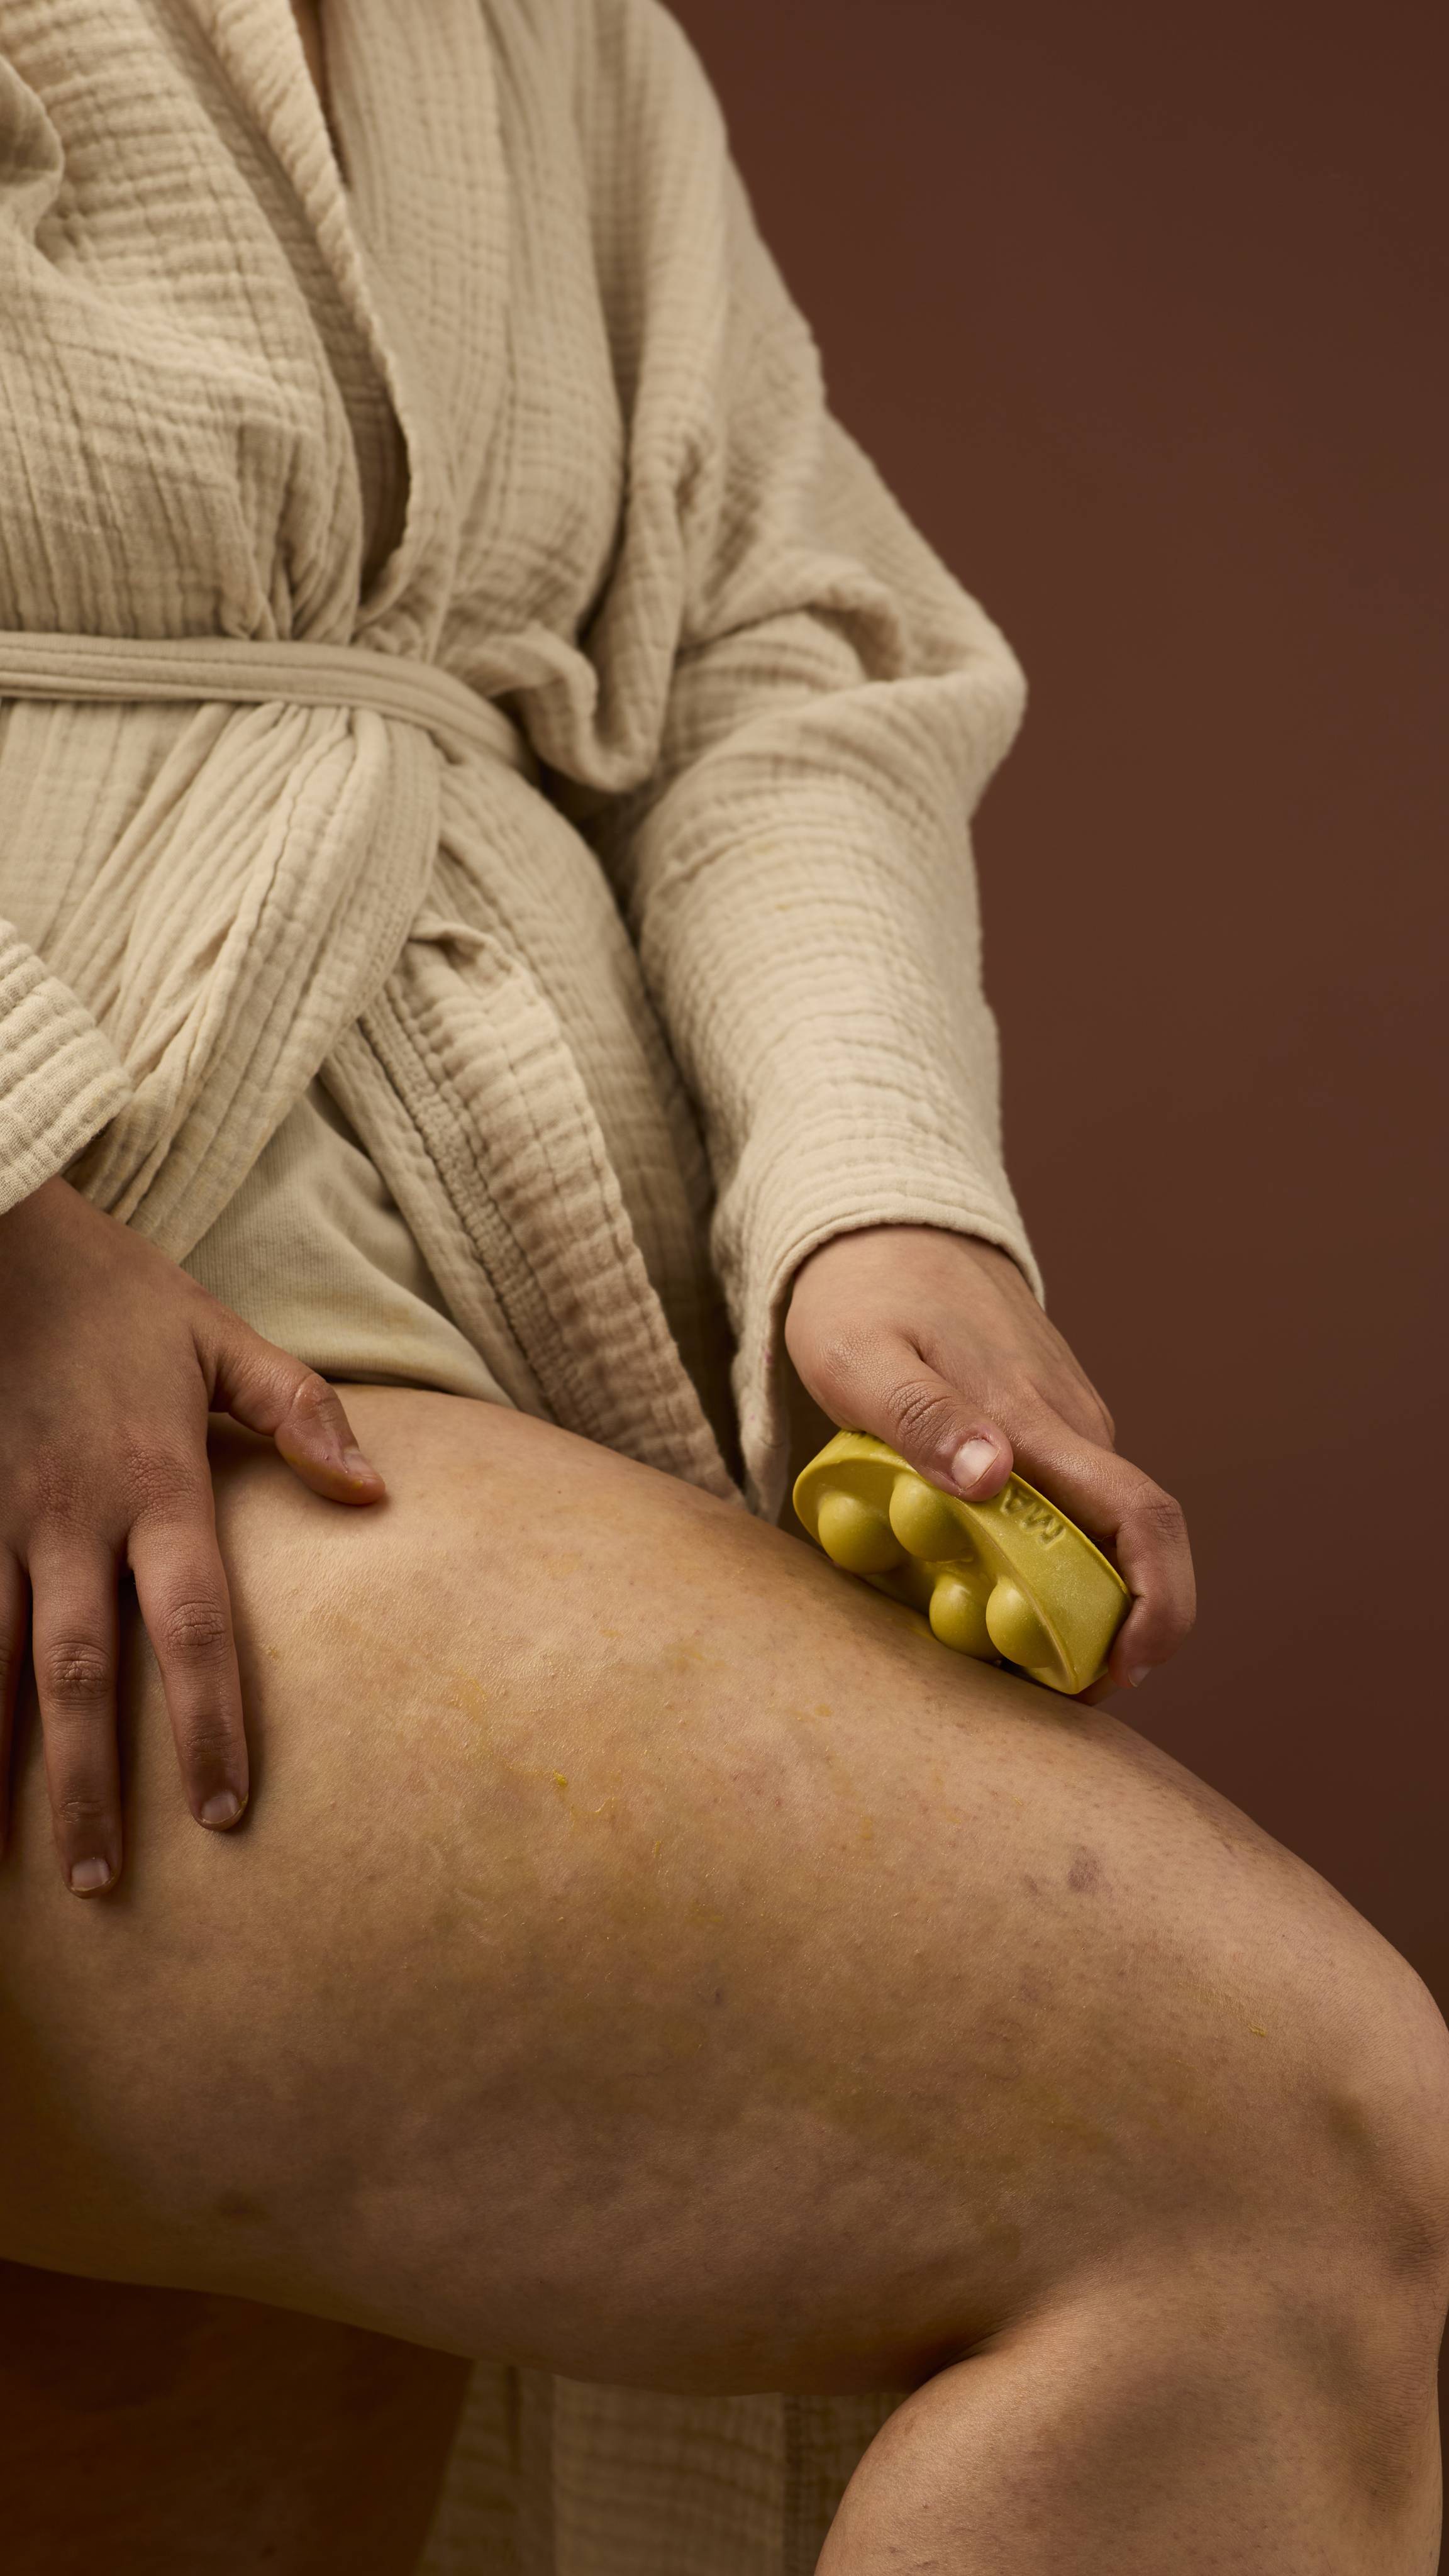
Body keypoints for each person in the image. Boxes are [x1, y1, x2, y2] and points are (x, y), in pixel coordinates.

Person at [0, 4, 1443, 2571]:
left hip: (480, 1294)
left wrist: (877, 1197)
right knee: (1276, 2162)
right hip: (103, 1337)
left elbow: (777, 648)